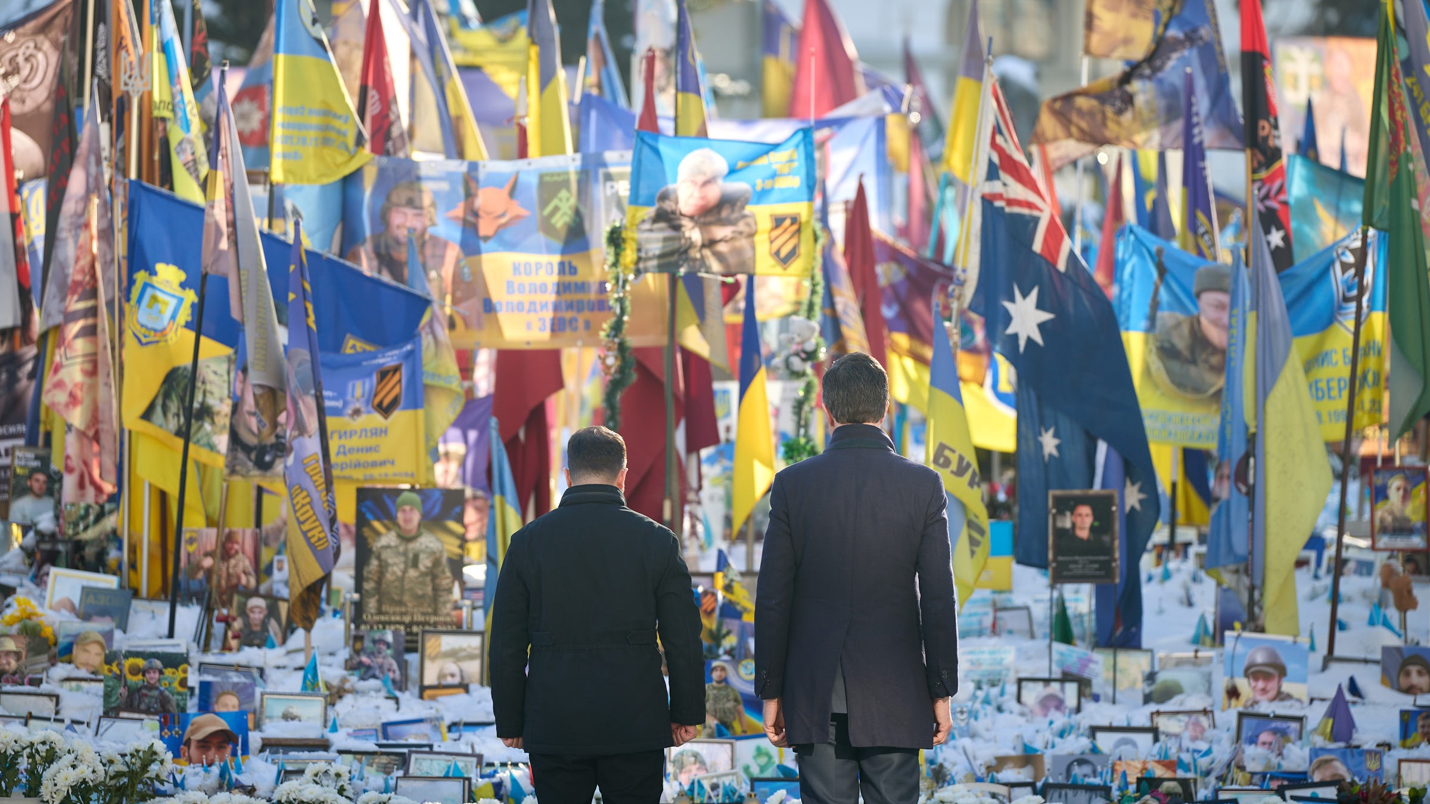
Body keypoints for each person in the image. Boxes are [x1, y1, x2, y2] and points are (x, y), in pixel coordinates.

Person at [755, 353, 958, 804]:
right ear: (884, 408)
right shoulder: (923, 485)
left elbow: (772, 597)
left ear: (827, 409)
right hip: (895, 690)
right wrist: (942, 689)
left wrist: (770, 689)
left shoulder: (792, 484)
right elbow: (939, 600)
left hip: (814, 691)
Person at [490, 426, 704, 804]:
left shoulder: (527, 542)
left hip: (555, 720)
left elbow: (506, 642)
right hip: (634, 720)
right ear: (623, 476)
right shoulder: (656, 540)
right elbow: (683, 636)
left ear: (568, 476)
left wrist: (510, 719)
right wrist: (687, 711)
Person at [634, 148, 757, 276]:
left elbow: (732, 259)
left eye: (708, 183)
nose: (697, 193)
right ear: (679, 187)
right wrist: (704, 234)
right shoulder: (655, 219)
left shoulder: (740, 221)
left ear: (720, 189)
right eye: (691, 182)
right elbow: (648, 248)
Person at [361, 491, 455, 629]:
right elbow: (371, 582)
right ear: (396, 515)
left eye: (412, 510)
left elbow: (443, 584)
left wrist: (442, 618)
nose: (407, 516)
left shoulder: (434, 545)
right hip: (388, 623)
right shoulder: (382, 544)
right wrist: (371, 615)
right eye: (402, 511)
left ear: (420, 515)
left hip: (424, 623)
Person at [345, 182, 462, 290]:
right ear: (387, 214)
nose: (408, 223)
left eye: (418, 215)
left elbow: (468, 308)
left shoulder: (448, 253)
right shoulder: (364, 252)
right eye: (400, 213)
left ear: (429, 219)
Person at [1149, 262, 1230, 401]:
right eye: (1217, 307)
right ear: (1199, 303)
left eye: (1239, 308)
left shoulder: (1262, 344)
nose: (1228, 320)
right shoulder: (1166, 335)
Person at [212, 532, 257, 611]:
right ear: (225, 542)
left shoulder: (242, 560)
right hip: (213, 604)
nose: (233, 546)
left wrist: (246, 580)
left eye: (236, 543)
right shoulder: (214, 556)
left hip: (232, 605)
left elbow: (253, 581)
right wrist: (200, 565)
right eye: (230, 543)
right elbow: (191, 573)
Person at [705, 661, 744, 736]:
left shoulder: (733, 691)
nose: (719, 673)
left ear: (726, 673)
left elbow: (740, 712)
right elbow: (698, 709)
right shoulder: (705, 690)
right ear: (711, 673)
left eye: (722, 670)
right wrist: (711, 719)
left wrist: (744, 730)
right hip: (709, 731)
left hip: (728, 731)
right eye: (716, 670)